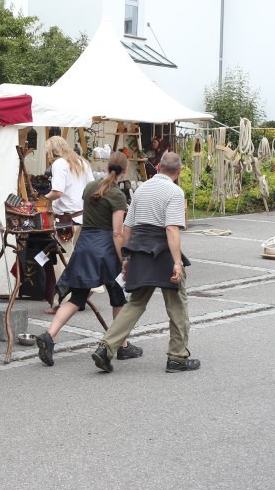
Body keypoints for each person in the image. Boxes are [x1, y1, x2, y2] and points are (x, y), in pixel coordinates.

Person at [90, 151, 199, 374]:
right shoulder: (175, 191)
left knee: (135, 303)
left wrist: (127, 258)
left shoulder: (142, 189)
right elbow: (171, 229)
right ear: (178, 172)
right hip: (163, 251)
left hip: (139, 249)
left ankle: (106, 347)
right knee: (177, 305)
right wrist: (177, 263)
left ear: (158, 167)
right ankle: (177, 357)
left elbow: (127, 228)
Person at [36, 152, 140, 366]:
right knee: (118, 295)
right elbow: (117, 233)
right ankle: (121, 345)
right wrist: (123, 259)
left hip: (84, 245)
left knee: (77, 296)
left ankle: (49, 335)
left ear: (107, 166)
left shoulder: (90, 187)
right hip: (105, 249)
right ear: (125, 171)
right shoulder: (117, 195)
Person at [42, 136, 93, 314]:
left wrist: (40, 200)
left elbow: (57, 192)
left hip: (66, 220)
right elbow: (92, 189)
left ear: (52, 151)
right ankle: (85, 292)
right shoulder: (82, 163)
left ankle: (60, 302)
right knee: (80, 260)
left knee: (62, 263)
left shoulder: (59, 164)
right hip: (83, 217)